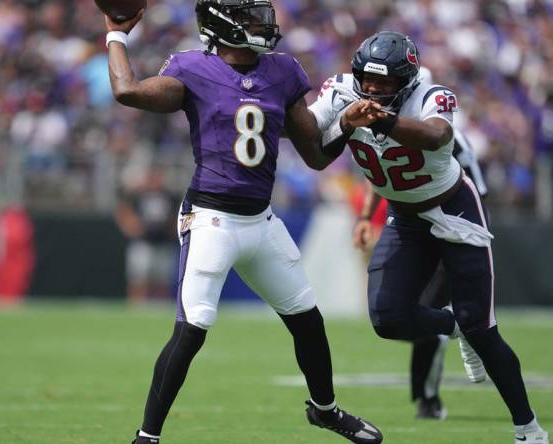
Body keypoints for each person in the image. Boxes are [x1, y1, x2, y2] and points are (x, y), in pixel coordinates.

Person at [103, 1, 383, 443]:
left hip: (262, 221)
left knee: (307, 319)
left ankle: (325, 410)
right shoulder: (192, 69)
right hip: (211, 219)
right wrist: (116, 35)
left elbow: (315, 155)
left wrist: (345, 125)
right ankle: (147, 436)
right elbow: (126, 90)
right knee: (192, 329)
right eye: (250, 15)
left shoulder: (283, 72)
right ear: (222, 22)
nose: (263, 24)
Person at [307, 31, 549, 444]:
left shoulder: (433, 97)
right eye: (368, 80)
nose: (373, 90)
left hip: (455, 211)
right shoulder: (341, 91)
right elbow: (311, 130)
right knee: (387, 317)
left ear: (407, 81)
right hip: (405, 216)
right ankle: (454, 326)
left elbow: (437, 135)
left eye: (384, 84)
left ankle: (529, 429)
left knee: (484, 330)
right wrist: (307, 112)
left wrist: (381, 119)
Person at [351, 68, 489, 420]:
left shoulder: (443, 137)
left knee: (429, 310)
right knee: (408, 312)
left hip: (451, 228)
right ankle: (428, 393)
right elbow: (385, 169)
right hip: (414, 228)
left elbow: (472, 195)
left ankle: (428, 398)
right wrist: (367, 216)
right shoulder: (394, 128)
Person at [114, 169, 178, 303]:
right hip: (143, 242)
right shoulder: (138, 195)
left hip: (163, 242)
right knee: (139, 279)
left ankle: (160, 307)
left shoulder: (169, 196)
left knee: (161, 281)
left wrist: (173, 230)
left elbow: (178, 214)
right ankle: (136, 306)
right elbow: (122, 209)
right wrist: (129, 227)